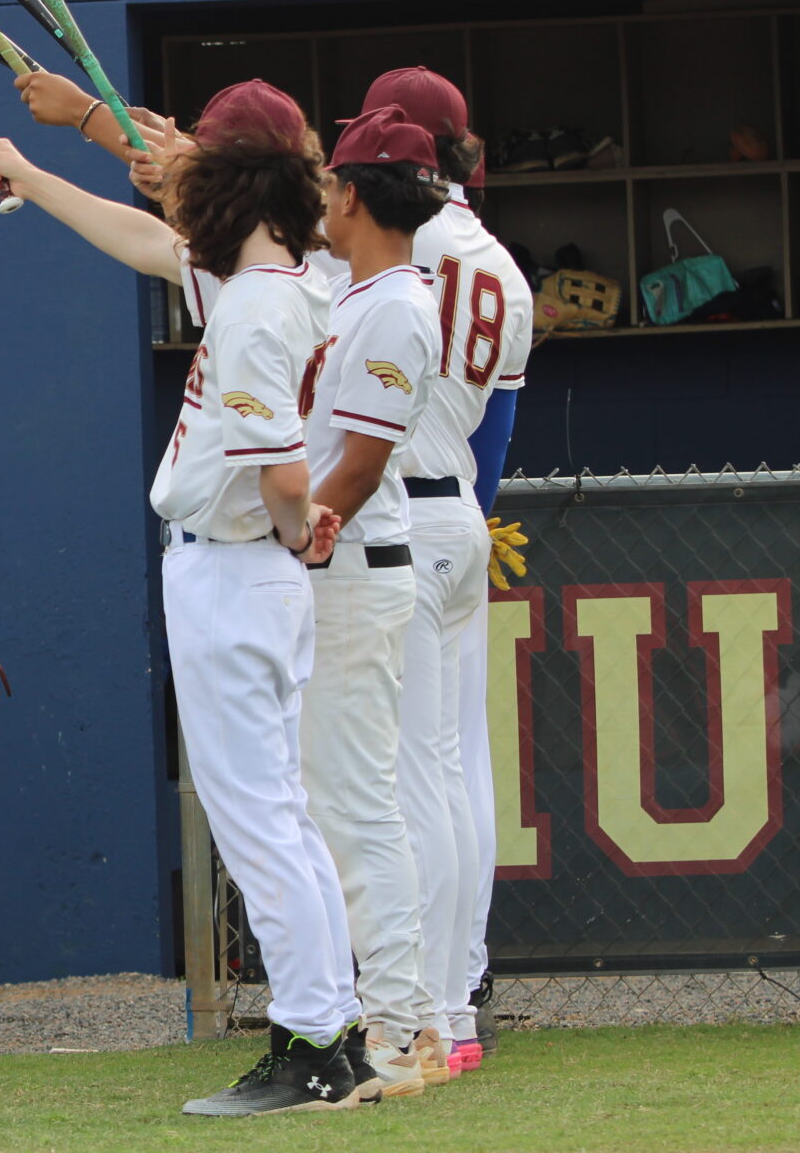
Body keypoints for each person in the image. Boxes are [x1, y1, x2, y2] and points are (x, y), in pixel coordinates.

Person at [0, 81, 366, 1115]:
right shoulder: (283, 276)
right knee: (282, 817)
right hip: (248, 573)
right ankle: (336, 1034)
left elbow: (280, 473)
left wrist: (296, 522)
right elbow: (146, 241)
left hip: (234, 568)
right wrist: (31, 173)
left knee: (256, 826)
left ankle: (313, 1044)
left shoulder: (253, 305)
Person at [358, 70, 533, 1073]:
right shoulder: (500, 266)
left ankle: (429, 1006)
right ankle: (458, 993)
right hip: (457, 511)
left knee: (409, 771)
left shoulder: (393, 236)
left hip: (398, 515)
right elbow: (495, 439)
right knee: (459, 767)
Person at [299, 104, 452, 1087]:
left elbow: (356, 465)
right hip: (335, 566)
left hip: (346, 567)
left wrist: (293, 540)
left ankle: (401, 1024)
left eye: (328, 182)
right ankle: (386, 1013)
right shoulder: (349, 289)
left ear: (352, 193)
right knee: (338, 802)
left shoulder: (395, 302)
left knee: (356, 803)